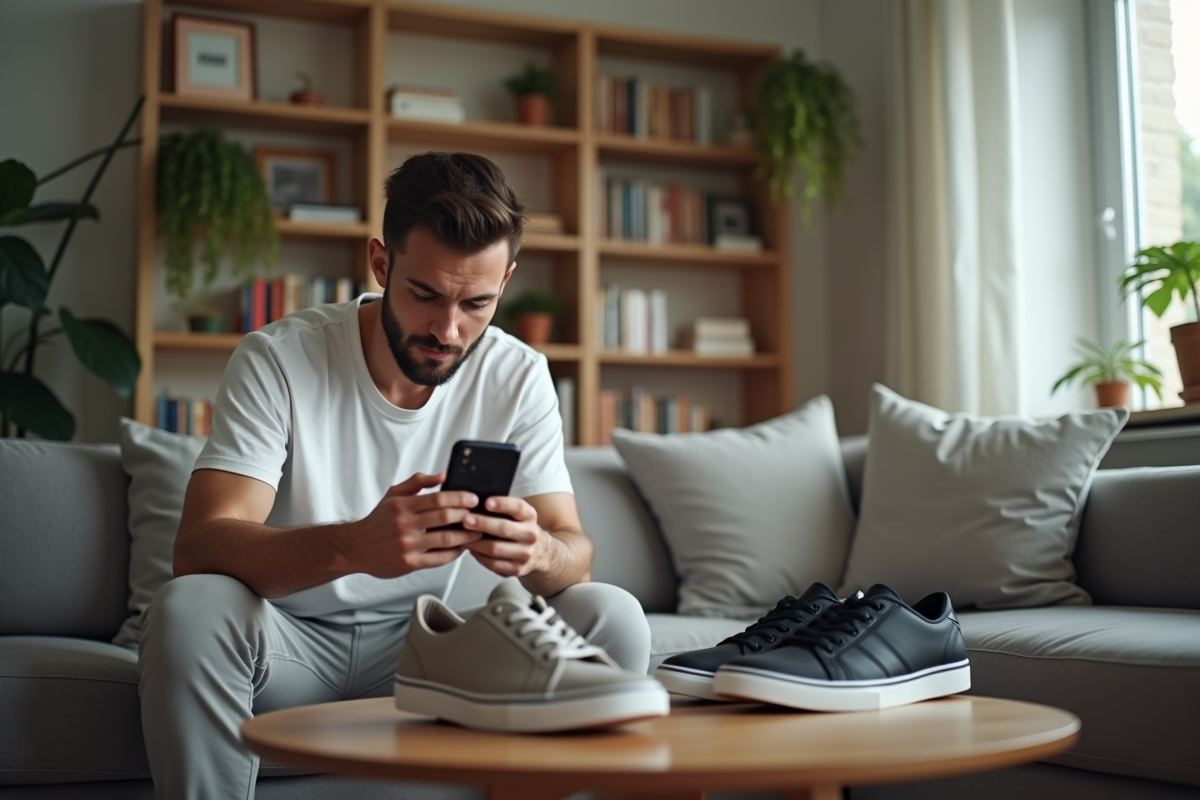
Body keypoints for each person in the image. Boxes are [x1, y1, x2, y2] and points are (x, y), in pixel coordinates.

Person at [137, 152, 651, 800]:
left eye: (477, 303)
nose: (447, 329)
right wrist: (352, 546)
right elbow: (201, 544)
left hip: (440, 650)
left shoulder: (519, 374)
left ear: (508, 280)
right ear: (381, 264)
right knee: (190, 609)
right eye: (425, 294)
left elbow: (573, 553)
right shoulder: (279, 359)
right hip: (290, 644)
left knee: (614, 615)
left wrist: (537, 549)